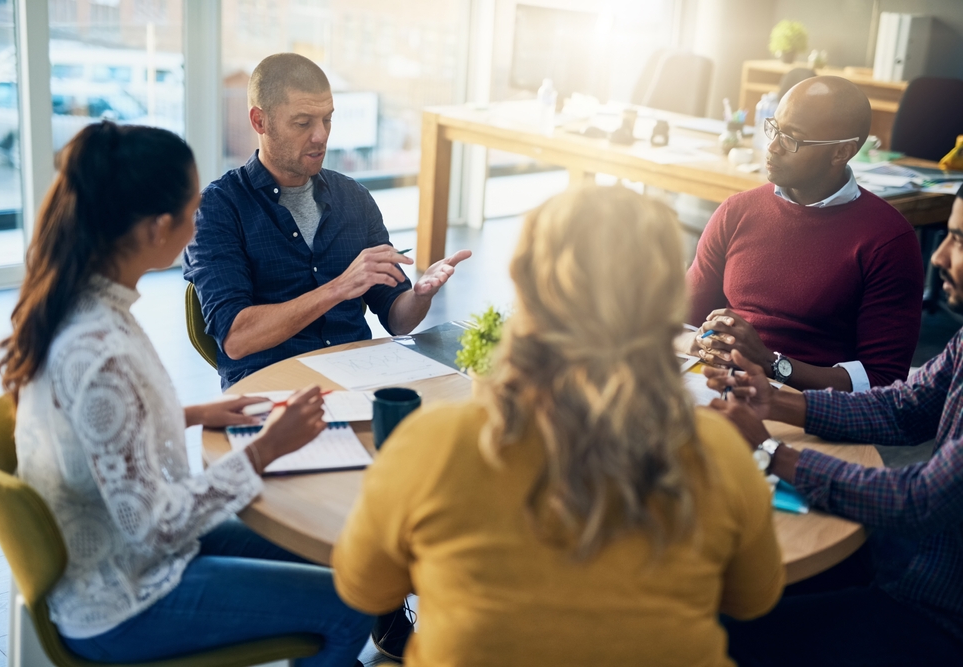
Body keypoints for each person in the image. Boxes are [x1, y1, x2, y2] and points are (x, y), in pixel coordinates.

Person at [330, 184, 785, 666]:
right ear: (666, 299)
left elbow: (364, 586)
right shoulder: (719, 451)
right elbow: (753, 599)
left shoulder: (433, 445)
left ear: (524, 286)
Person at [0, 122, 373, 666]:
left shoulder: (82, 303)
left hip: (125, 556)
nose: (201, 220)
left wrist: (192, 412)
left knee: (347, 556)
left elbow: (96, 425)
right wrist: (267, 447)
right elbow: (156, 527)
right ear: (156, 229)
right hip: (126, 597)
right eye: (191, 209)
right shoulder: (99, 349)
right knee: (351, 601)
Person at [702, 184, 963, 666]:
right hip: (913, 560)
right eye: (947, 235)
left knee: (720, 630)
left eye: (960, 241)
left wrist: (770, 453)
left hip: (939, 612)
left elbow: (921, 499)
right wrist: (775, 402)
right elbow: (906, 407)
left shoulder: (885, 237)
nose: (940, 256)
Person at [184, 53, 471, 390]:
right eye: (303, 123)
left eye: (327, 120)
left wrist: (421, 295)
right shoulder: (218, 208)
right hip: (271, 390)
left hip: (358, 380)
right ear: (260, 121)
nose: (320, 136)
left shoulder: (354, 198)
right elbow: (236, 337)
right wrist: (338, 288)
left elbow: (398, 320)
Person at [680, 76, 923, 393]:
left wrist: (769, 363)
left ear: (842, 152)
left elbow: (882, 381)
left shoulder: (888, 240)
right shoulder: (736, 211)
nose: (773, 146)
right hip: (717, 387)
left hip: (812, 408)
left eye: (792, 139)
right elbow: (679, 324)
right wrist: (700, 342)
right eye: (774, 128)